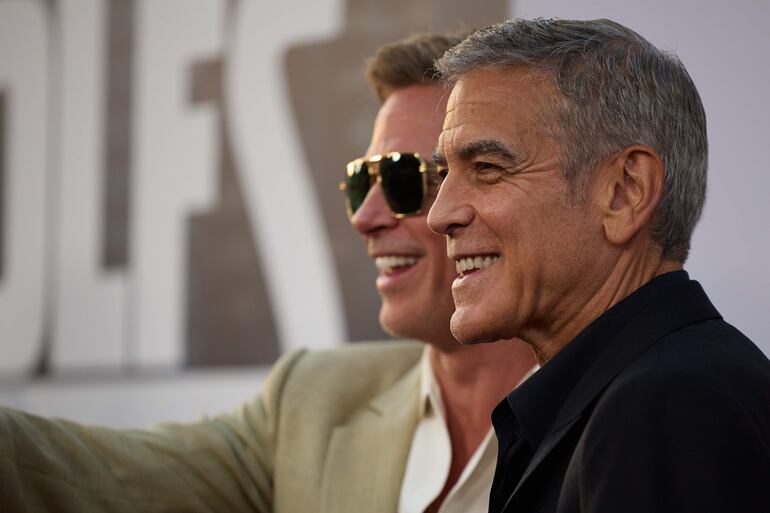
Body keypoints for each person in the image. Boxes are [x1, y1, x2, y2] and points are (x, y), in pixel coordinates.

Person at [0, 33, 536, 513]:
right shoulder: (312, 400)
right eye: (358, 183)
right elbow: (86, 475)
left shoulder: (607, 421)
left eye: (401, 179)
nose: (364, 218)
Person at [427, 18, 770, 513]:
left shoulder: (666, 405)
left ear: (624, 193)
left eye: (488, 169)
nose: (440, 215)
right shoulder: (651, 390)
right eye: (444, 173)